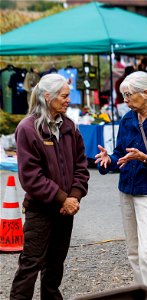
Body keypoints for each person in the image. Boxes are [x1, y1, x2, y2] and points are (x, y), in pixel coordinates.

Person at [95, 71, 147, 300]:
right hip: (127, 191)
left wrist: (145, 158)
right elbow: (121, 155)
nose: (125, 100)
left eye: (128, 95)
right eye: (123, 95)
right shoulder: (128, 118)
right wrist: (108, 160)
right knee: (134, 252)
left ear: (146, 93)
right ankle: (146, 296)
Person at [10, 73, 90, 300]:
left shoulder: (69, 126)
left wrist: (73, 197)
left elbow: (81, 166)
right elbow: (31, 177)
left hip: (66, 209)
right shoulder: (27, 128)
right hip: (41, 210)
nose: (68, 100)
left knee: (55, 264)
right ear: (48, 96)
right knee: (30, 264)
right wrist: (62, 199)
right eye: (64, 96)